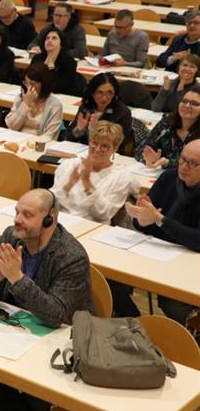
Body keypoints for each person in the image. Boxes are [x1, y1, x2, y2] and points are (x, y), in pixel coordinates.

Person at [0, 188, 92, 411]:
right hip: (17, 326)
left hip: (60, 339)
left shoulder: (70, 255)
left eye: (27, 215)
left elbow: (56, 315)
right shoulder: (12, 236)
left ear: (50, 219)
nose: (17, 220)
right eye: (17, 212)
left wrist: (17, 279)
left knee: (21, 369)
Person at [126, 139, 200, 323]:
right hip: (159, 253)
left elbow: (197, 240)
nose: (183, 166)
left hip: (191, 264)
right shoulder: (168, 178)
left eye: (192, 163)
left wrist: (160, 220)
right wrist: (142, 219)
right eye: (182, 159)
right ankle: (135, 325)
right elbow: (148, 222)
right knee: (115, 278)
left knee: (172, 303)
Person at [53, 121, 139, 223]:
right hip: (60, 221)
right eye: (94, 143)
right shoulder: (69, 165)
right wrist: (68, 185)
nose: (97, 149)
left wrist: (88, 184)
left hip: (91, 226)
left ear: (115, 149)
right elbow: (52, 202)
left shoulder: (121, 177)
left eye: (104, 146)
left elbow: (104, 214)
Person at [135, 85, 200, 169]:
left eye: (194, 104)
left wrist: (166, 163)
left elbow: (193, 164)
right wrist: (149, 159)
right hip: (157, 173)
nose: (187, 106)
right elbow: (140, 150)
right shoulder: (167, 122)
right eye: (184, 101)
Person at [65, 72, 132, 146]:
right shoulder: (86, 107)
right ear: (92, 92)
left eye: (109, 93)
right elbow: (68, 139)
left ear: (115, 94)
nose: (104, 98)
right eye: (99, 92)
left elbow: (118, 144)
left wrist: (94, 131)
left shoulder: (122, 112)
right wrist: (79, 130)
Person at [5, 62, 63, 140]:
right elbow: (11, 127)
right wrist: (25, 104)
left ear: (44, 84)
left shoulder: (55, 105)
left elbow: (49, 136)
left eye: (32, 83)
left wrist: (30, 143)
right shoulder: (21, 98)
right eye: (26, 82)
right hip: (15, 140)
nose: (28, 87)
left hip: (38, 144)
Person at [31, 28, 81, 96]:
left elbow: (57, 88)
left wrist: (51, 66)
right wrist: (44, 65)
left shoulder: (69, 62)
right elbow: (30, 80)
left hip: (62, 97)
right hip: (36, 94)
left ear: (61, 44)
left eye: (54, 38)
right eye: (47, 38)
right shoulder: (37, 58)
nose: (49, 40)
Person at [156, 9, 200, 73]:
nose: (192, 26)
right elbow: (159, 62)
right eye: (189, 23)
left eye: (196, 23)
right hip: (172, 76)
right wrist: (172, 58)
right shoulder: (178, 40)